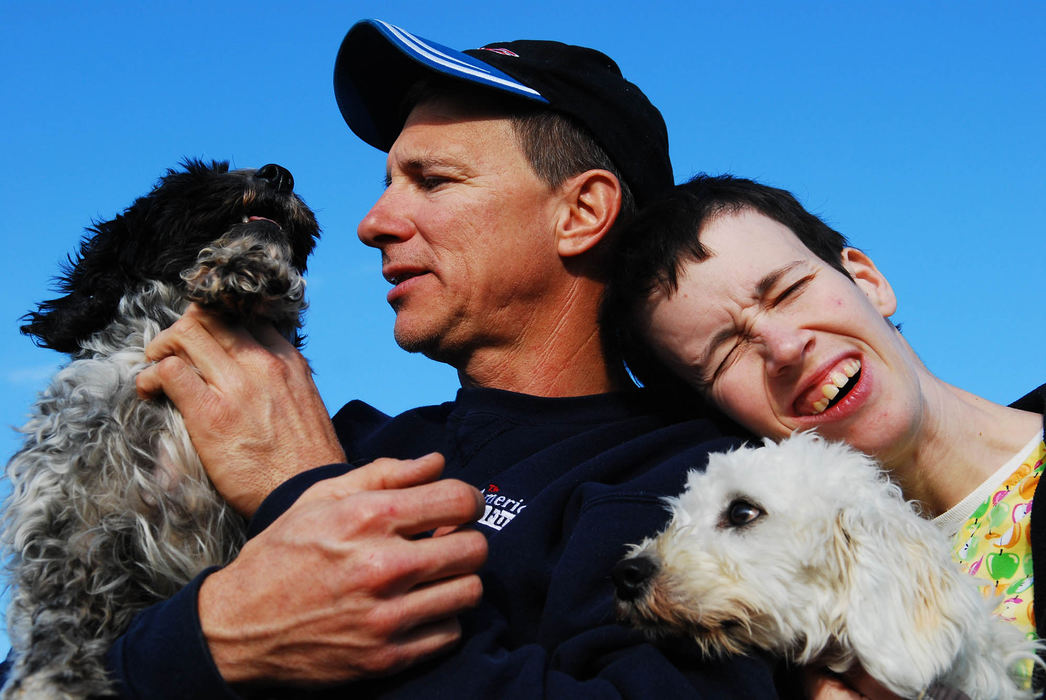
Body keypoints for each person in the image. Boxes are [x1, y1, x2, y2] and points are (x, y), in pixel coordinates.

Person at [98, 22, 780, 698]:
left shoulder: (708, 485)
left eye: (432, 180)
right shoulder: (340, 437)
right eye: (389, 181)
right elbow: (43, 663)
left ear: (581, 212)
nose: (372, 223)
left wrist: (307, 493)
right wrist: (210, 637)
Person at [603, 173, 1046, 694]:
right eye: (726, 353)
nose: (785, 348)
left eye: (788, 291)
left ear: (867, 280)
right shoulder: (770, 640)